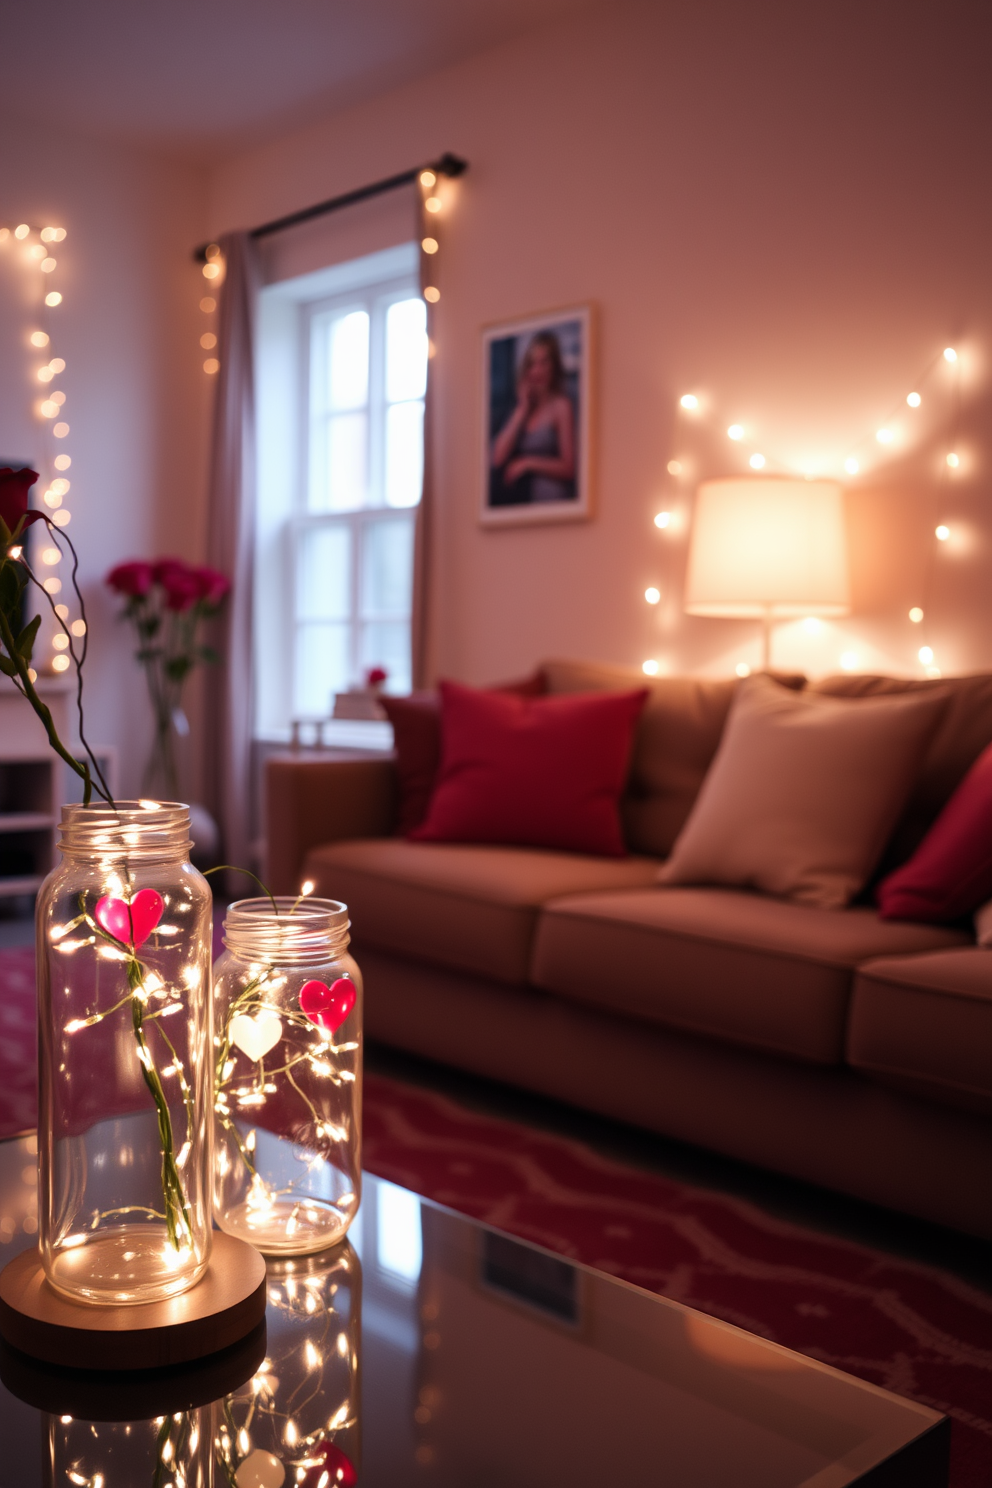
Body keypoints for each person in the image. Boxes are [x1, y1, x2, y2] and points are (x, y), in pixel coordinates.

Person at [490, 331, 576, 504]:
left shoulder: (561, 406)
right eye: (532, 364)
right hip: (520, 503)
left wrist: (527, 463)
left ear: (554, 365)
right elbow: (497, 457)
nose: (537, 371)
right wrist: (522, 409)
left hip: (550, 500)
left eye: (544, 362)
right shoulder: (520, 409)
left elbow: (569, 467)